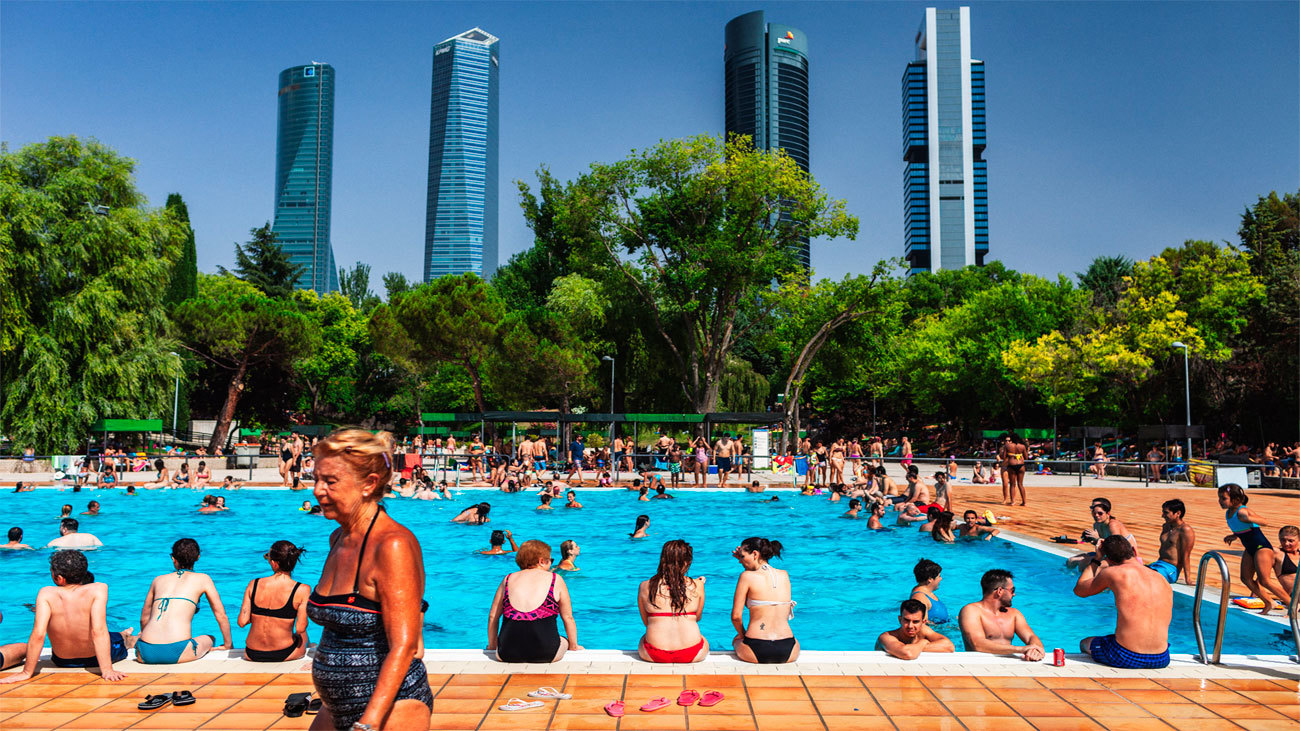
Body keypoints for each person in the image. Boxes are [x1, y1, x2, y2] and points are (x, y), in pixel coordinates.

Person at [307, 428, 433, 731]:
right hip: (335, 708)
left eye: (330, 481)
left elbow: (404, 646)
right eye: (316, 479)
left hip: (391, 709)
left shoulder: (392, 545)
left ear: (369, 483)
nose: (317, 491)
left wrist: (368, 723)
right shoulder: (338, 538)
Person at [0, 550, 137, 683]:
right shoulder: (98, 589)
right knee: (117, 638)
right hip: (94, 659)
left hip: (62, 660)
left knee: (113, 636)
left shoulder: (46, 593)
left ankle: (124, 634)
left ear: (59, 578)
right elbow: (98, 631)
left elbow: (39, 635)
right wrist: (107, 670)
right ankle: (128, 637)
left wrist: (26, 672)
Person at [1075, 535, 1172, 668]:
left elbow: (1080, 590)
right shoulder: (1161, 578)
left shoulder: (1112, 573)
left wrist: (1097, 559)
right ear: (1134, 550)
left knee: (1085, 643)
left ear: (1108, 559)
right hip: (1161, 658)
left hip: (1126, 656)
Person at [136, 538, 233, 664]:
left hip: (144, 651)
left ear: (173, 558)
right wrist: (228, 645)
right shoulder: (204, 579)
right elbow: (221, 615)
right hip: (178, 650)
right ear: (198, 557)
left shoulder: (157, 580)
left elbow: (144, 618)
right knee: (210, 638)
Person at [486, 540, 582, 662]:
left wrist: (492, 646)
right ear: (541, 561)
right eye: (550, 560)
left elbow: (493, 616)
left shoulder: (508, 579)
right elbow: (568, 617)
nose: (551, 564)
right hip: (546, 653)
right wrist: (573, 646)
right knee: (563, 640)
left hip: (507, 653)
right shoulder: (555, 579)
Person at [1219, 483, 1290, 614]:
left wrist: (1248, 518)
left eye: (1223, 498)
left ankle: (1292, 605)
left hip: (1261, 547)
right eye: (1220, 498)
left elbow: (1265, 522)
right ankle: (1269, 602)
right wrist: (1234, 535)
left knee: (1265, 580)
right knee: (1245, 578)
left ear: (1235, 499)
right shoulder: (1229, 513)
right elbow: (1244, 529)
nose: (1220, 501)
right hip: (1250, 548)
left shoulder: (1242, 511)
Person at [637, 540, 709, 663]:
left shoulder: (645, 586)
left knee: (644, 638)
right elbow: (697, 618)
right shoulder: (697, 585)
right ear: (687, 562)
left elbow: (646, 622)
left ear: (662, 560)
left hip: (654, 653)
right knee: (703, 638)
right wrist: (698, 584)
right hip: (693, 652)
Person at [730, 536, 799, 664]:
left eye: (742, 556)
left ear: (755, 554)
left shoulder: (746, 576)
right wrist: (746, 561)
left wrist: (742, 635)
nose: (740, 561)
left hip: (757, 647)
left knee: (736, 640)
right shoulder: (784, 574)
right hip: (789, 649)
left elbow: (736, 617)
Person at [238, 540, 309, 662]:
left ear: (274, 563)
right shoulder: (302, 589)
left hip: (252, 653)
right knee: (303, 635)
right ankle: (311, 645)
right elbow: (300, 628)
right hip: (283, 653)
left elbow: (242, 622)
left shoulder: (254, 584)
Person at [957, 569, 1044, 661]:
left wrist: (1036, 650)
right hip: (981, 664)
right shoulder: (971, 611)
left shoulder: (1014, 614)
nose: (1014, 594)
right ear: (1000, 591)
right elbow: (977, 644)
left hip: (1008, 665)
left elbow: (1031, 637)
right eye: (1012, 590)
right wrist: (1020, 649)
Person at [1067, 498, 1139, 569]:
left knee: (1083, 563)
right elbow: (1103, 546)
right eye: (1093, 509)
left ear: (1107, 512)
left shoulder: (1113, 525)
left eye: (1100, 513)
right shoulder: (1096, 525)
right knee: (1071, 560)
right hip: (1109, 556)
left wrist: (1097, 538)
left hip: (1123, 560)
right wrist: (1092, 540)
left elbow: (1116, 549)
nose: (1096, 515)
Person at [875, 599, 954, 659]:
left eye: (915, 622)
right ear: (900, 619)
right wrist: (922, 642)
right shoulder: (886, 637)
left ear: (923, 622)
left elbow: (949, 646)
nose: (910, 626)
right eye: (906, 620)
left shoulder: (924, 631)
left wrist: (916, 648)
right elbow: (908, 653)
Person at [1150, 499, 1196, 584]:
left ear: (1178, 513)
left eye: (1166, 513)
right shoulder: (1166, 526)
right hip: (1158, 565)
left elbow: (1186, 555)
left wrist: (1188, 579)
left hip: (1171, 569)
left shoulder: (1185, 530)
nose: (1162, 516)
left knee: (1147, 577)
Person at [909, 559, 949, 624]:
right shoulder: (920, 598)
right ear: (930, 579)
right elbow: (921, 624)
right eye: (939, 576)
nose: (941, 579)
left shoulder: (926, 592)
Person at [1273, 525, 1298, 596]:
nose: (1286, 543)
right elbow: (1262, 576)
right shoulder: (1277, 553)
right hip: (1295, 596)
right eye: (1283, 540)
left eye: (1291, 541)